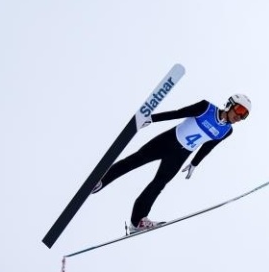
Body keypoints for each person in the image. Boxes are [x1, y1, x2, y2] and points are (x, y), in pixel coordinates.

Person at [92, 94, 252, 231]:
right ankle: (100, 181)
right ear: (230, 104)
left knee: (158, 185)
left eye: (244, 115)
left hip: (180, 155)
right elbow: (177, 114)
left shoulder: (227, 131)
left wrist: (195, 163)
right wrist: (151, 119)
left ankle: (138, 221)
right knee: (135, 160)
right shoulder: (206, 108)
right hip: (168, 140)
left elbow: (208, 146)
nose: (240, 116)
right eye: (239, 110)